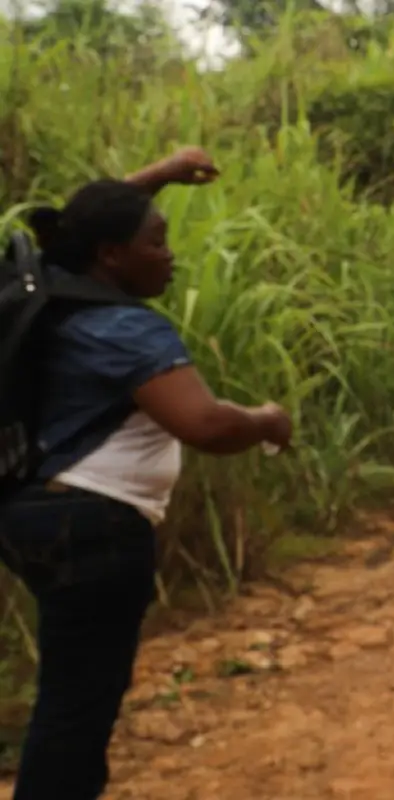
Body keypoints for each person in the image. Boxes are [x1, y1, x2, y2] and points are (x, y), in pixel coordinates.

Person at [0, 148, 293, 800]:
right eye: (155, 243)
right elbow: (207, 426)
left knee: (71, 695)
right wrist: (268, 419)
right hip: (94, 525)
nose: (170, 255)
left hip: (33, 514)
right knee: (78, 710)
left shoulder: (50, 287)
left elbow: (73, 227)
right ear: (110, 255)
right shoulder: (126, 329)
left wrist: (155, 178)